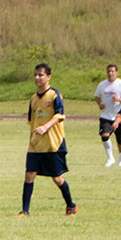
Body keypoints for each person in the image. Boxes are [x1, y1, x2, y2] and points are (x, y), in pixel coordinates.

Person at [19, 63, 77, 217]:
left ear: (48, 77)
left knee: (57, 178)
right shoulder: (33, 99)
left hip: (53, 144)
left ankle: (71, 205)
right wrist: (33, 137)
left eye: (41, 75)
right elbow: (32, 122)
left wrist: (46, 127)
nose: (37, 78)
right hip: (36, 146)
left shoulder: (54, 95)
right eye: (35, 75)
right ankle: (25, 211)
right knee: (29, 174)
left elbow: (59, 116)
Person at [94, 64, 121, 167]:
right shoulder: (102, 85)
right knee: (104, 136)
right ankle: (110, 158)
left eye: (112, 71)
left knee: (120, 139)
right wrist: (99, 104)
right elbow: (97, 96)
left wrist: (119, 100)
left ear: (116, 72)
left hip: (119, 116)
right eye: (109, 71)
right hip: (105, 115)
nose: (110, 73)